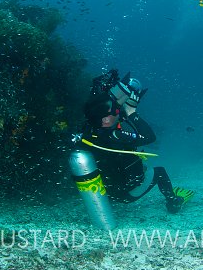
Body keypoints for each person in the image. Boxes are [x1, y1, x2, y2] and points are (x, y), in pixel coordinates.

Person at [79, 69, 193, 213]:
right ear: (106, 120)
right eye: (116, 111)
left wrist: (108, 86)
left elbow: (95, 104)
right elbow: (150, 137)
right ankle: (173, 203)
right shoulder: (115, 136)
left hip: (104, 190)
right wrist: (132, 112)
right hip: (123, 195)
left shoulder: (90, 127)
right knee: (159, 172)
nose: (119, 112)